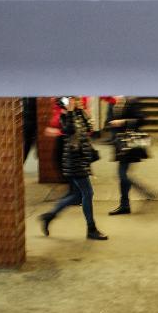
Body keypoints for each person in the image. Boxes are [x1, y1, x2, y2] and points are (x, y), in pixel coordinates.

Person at [39, 97, 107, 240]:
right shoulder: (64, 116)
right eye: (75, 99)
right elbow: (68, 130)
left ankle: (49, 216)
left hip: (82, 159)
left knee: (77, 195)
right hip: (74, 162)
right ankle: (91, 229)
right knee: (88, 193)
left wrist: (83, 111)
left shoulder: (78, 113)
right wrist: (69, 111)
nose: (79, 100)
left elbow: (89, 129)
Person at [108, 96, 157, 215]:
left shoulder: (132, 102)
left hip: (130, 144)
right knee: (122, 175)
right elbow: (108, 122)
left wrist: (123, 122)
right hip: (120, 144)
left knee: (121, 174)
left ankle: (139, 194)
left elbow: (142, 120)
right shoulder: (112, 104)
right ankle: (125, 205)